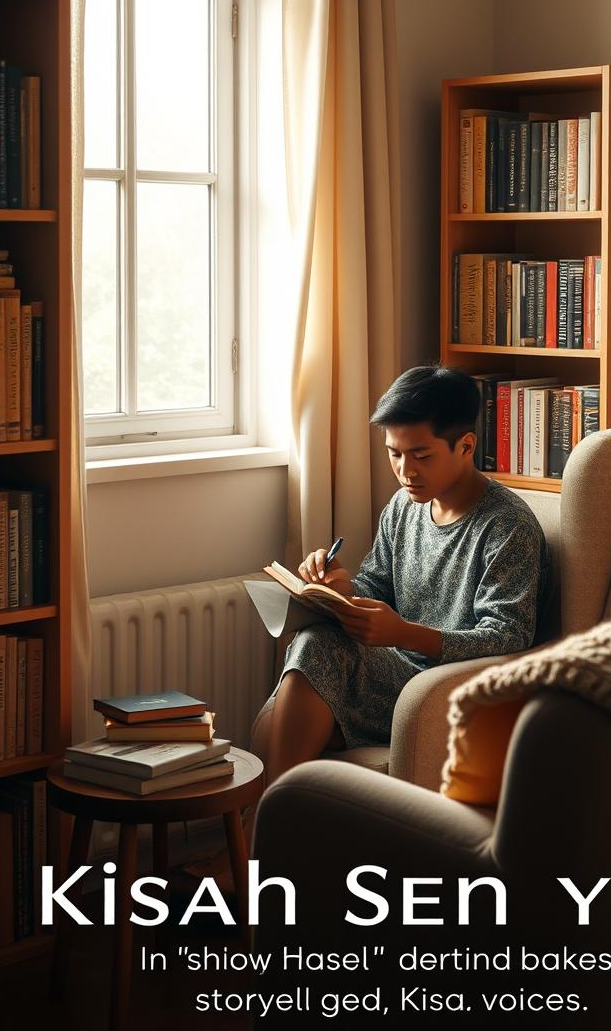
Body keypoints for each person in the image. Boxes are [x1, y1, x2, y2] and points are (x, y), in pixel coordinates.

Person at [186, 365, 547, 887]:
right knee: (315, 639)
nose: (405, 471)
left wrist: (406, 634)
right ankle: (261, 851)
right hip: (391, 672)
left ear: (465, 446)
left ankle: (247, 853)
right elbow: (377, 587)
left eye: (421, 455)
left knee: (313, 658)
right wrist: (339, 588)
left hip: (444, 689)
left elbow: (510, 637)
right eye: (394, 454)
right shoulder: (404, 508)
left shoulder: (507, 527)